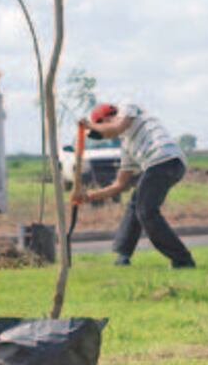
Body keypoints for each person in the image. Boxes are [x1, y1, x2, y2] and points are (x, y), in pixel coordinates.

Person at [78, 102, 195, 269]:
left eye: (100, 132)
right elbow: (119, 185)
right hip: (161, 166)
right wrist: (88, 196)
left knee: (146, 211)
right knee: (136, 203)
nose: (104, 137)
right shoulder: (127, 146)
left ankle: (182, 259)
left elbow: (117, 128)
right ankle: (123, 254)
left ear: (106, 118)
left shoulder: (128, 109)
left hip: (164, 159)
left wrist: (88, 125)